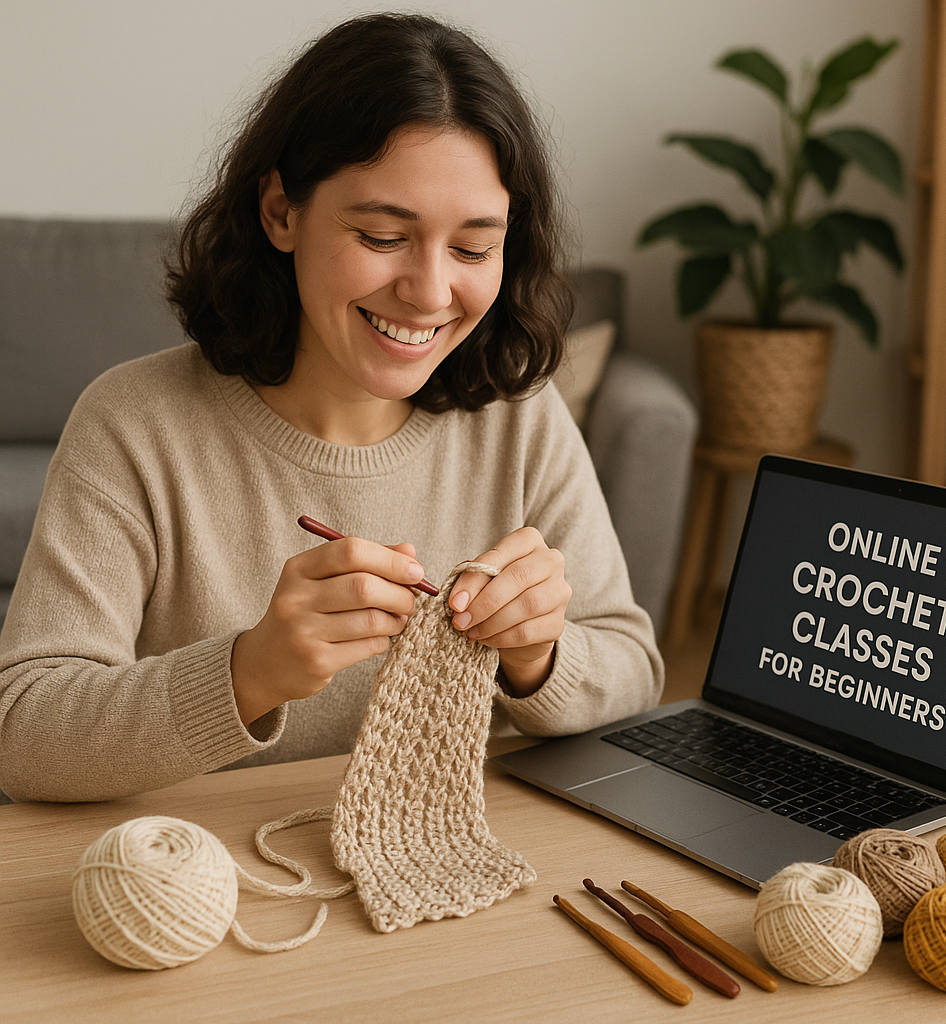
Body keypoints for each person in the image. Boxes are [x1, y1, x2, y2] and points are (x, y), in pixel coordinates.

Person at [0, 13, 663, 802]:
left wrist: (539, 658)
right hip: (198, 886)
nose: (428, 293)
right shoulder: (133, 423)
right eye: (384, 236)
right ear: (281, 212)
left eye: (474, 249)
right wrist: (247, 674)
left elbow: (634, 672)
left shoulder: (519, 415)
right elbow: (26, 735)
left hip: (442, 875)